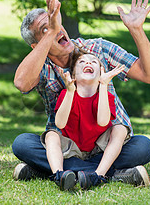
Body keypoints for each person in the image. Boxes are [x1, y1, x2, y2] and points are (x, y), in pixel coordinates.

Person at [12, 0, 150, 189]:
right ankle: (110, 174)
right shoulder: (41, 65)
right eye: (45, 28)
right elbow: (21, 83)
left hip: (108, 143)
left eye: (55, 21)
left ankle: (52, 171)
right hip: (68, 147)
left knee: (143, 147)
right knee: (22, 144)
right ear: (37, 44)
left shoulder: (96, 49)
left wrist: (136, 29)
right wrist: (52, 34)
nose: (57, 29)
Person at [43, 52, 127, 190]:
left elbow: (102, 121)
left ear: (100, 73)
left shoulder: (107, 96)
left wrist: (104, 85)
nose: (88, 63)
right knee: (45, 137)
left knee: (129, 136)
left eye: (94, 62)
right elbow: (59, 124)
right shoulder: (66, 94)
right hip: (70, 151)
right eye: (82, 62)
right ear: (74, 75)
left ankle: (97, 176)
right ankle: (59, 175)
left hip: (99, 150)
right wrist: (70, 91)